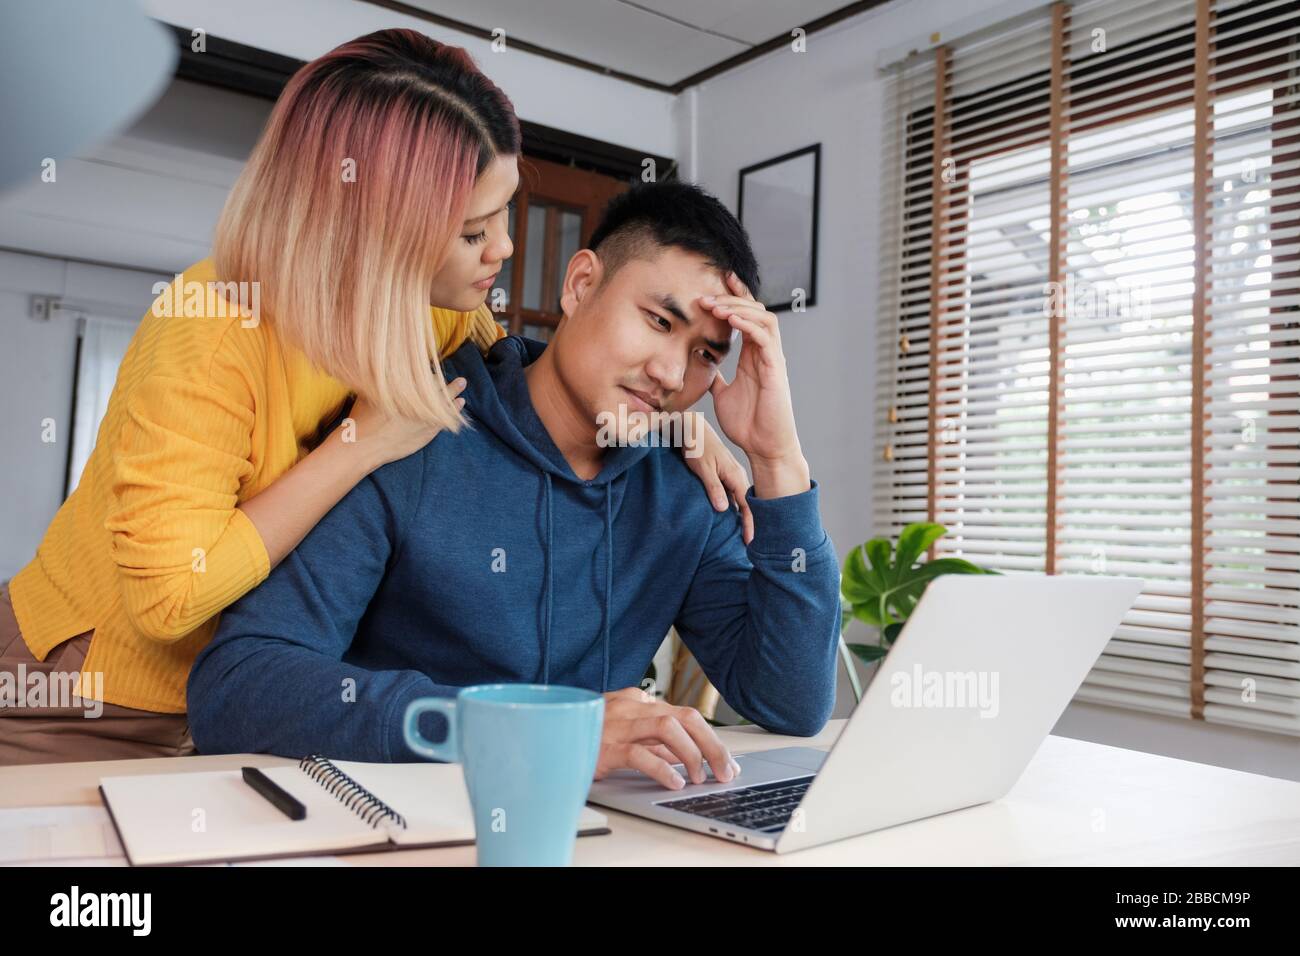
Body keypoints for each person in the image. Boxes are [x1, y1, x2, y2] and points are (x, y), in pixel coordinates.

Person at [0, 30, 745, 765]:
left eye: (505, 214)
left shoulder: (439, 306)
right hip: (81, 690)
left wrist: (669, 420)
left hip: (231, 708)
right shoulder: (215, 326)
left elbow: (539, 376)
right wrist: (362, 445)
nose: (504, 250)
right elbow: (168, 600)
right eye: (472, 232)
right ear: (375, 229)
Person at [188, 180, 840, 791]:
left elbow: (789, 702)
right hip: (401, 821)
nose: (672, 372)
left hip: (588, 836)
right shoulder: (405, 434)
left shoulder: (684, 488)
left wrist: (776, 458)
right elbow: (240, 685)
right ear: (581, 284)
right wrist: (525, 733)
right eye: (659, 321)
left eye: (706, 354)